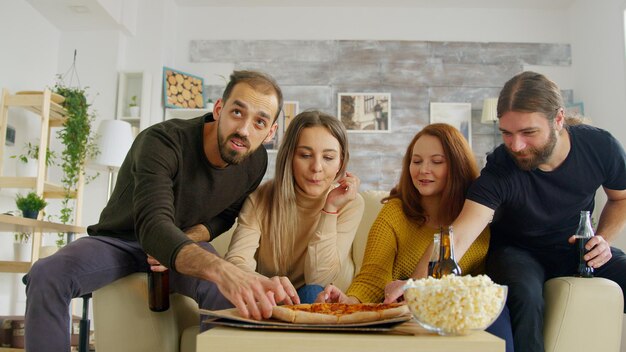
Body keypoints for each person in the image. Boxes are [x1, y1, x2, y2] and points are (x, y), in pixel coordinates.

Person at [24, 70, 298, 351]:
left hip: (183, 245)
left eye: (259, 122)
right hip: (121, 241)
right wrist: (222, 269)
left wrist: (187, 238)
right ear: (219, 109)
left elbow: (226, 215)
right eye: (237, 112)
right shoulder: (162, 141)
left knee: (229, 297)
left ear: (270, 132)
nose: (244, 129)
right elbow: (153, 225)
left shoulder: (255, 162)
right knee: (47, 273)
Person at [389, 71, 626, 352]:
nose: (516, 145)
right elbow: (460, 233)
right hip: (518, 254)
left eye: (528, 133)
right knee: (525, 297)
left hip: (575, 247)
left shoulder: (600, 147)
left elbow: (620, 198)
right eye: (507, 133)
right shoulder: (501, 168)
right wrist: (414, 286)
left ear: (559, 119)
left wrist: (603, 239)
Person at [316, 123, 514, 351]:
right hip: (410, 322)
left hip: (461, 322)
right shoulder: (394, 213)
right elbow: (373, 276)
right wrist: (349, 302)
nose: (423, 170)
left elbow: (478, 289)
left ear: (457, 166)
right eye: (416, 161)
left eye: (437, 162)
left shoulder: (477, 217)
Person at [225, 110, 364, 303]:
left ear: (341, 162)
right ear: (289, 158)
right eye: (306, 155)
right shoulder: (259, 199)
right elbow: (236, 263)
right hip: (275, 299)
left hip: (323, 302)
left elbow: (319, 278)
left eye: (329, 158)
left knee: (312, 291)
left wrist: (329, 209)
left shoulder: (350, 203)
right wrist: (271, 286)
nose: (316, 167)